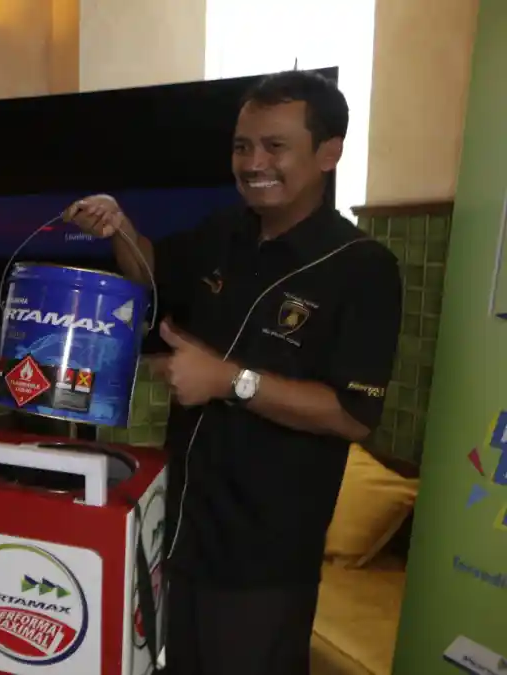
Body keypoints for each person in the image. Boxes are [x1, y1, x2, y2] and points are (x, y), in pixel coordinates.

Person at [64, 70, 403, 675]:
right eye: (242, 146)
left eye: (275, 146)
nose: (253, 163)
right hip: (183, 528)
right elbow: (151, 271)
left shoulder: (363, 268)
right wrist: (120, 227)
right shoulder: (223, 232)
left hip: (263, 559)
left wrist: (228, 381)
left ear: (328, 152)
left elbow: (352, 415)